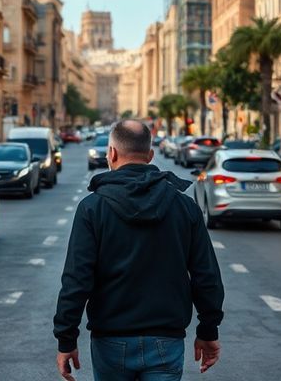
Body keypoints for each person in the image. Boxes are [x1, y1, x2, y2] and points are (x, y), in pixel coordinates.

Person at [54, 120, 224, 381]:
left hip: (111, 341)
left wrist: (67, 339)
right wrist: (208, 330)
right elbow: (206, 275)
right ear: (150, 155)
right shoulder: (184, 206)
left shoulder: (92, 208)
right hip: (166, 341)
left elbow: (77, 279)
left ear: (111, 153)